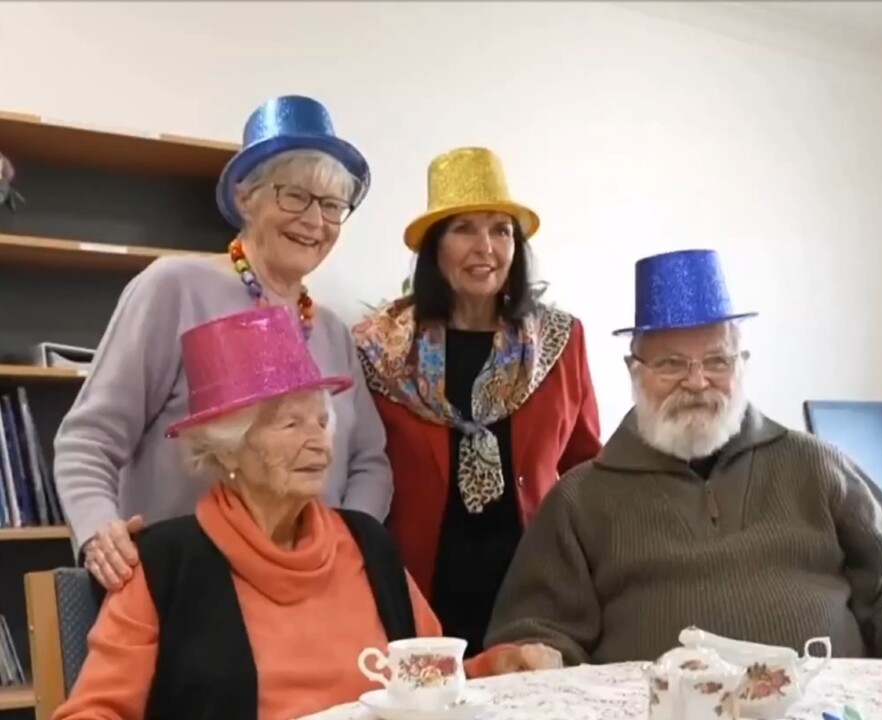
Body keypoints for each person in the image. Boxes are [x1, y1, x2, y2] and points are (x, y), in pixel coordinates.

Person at [54, 307, 561, 720]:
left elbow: (427, 682)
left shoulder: (368, 544)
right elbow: (92, 712)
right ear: (227, 450)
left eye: (322, 420)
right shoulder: (164, 565)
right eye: (289, 424)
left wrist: (497, 666)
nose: (318, 440)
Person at [484, 249, 882, 665]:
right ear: (634, 370)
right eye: (671, 363)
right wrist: (533, 656)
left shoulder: (817, 466)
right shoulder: (580, 499)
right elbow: (534, 634)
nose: (697, 382)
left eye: (717, 360)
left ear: (742, 365)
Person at [53, 95, 392, 591]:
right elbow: (88, 439)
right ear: (245, 197)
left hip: (309, 594)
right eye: (294, 195)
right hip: (183, 592)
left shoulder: (334, 331)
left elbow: (370, 462)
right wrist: (97, 530)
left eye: (332, 205)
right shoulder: (173, 287)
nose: (315, 221)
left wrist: (343, 543)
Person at [353, 147, 601, 656]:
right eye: (464, 229)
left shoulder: (559, 340)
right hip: (415, 581)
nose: (485, 247)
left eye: (501, 230)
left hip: (535, 582)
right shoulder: (378, 349)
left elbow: (585, 466)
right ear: (435, 247)